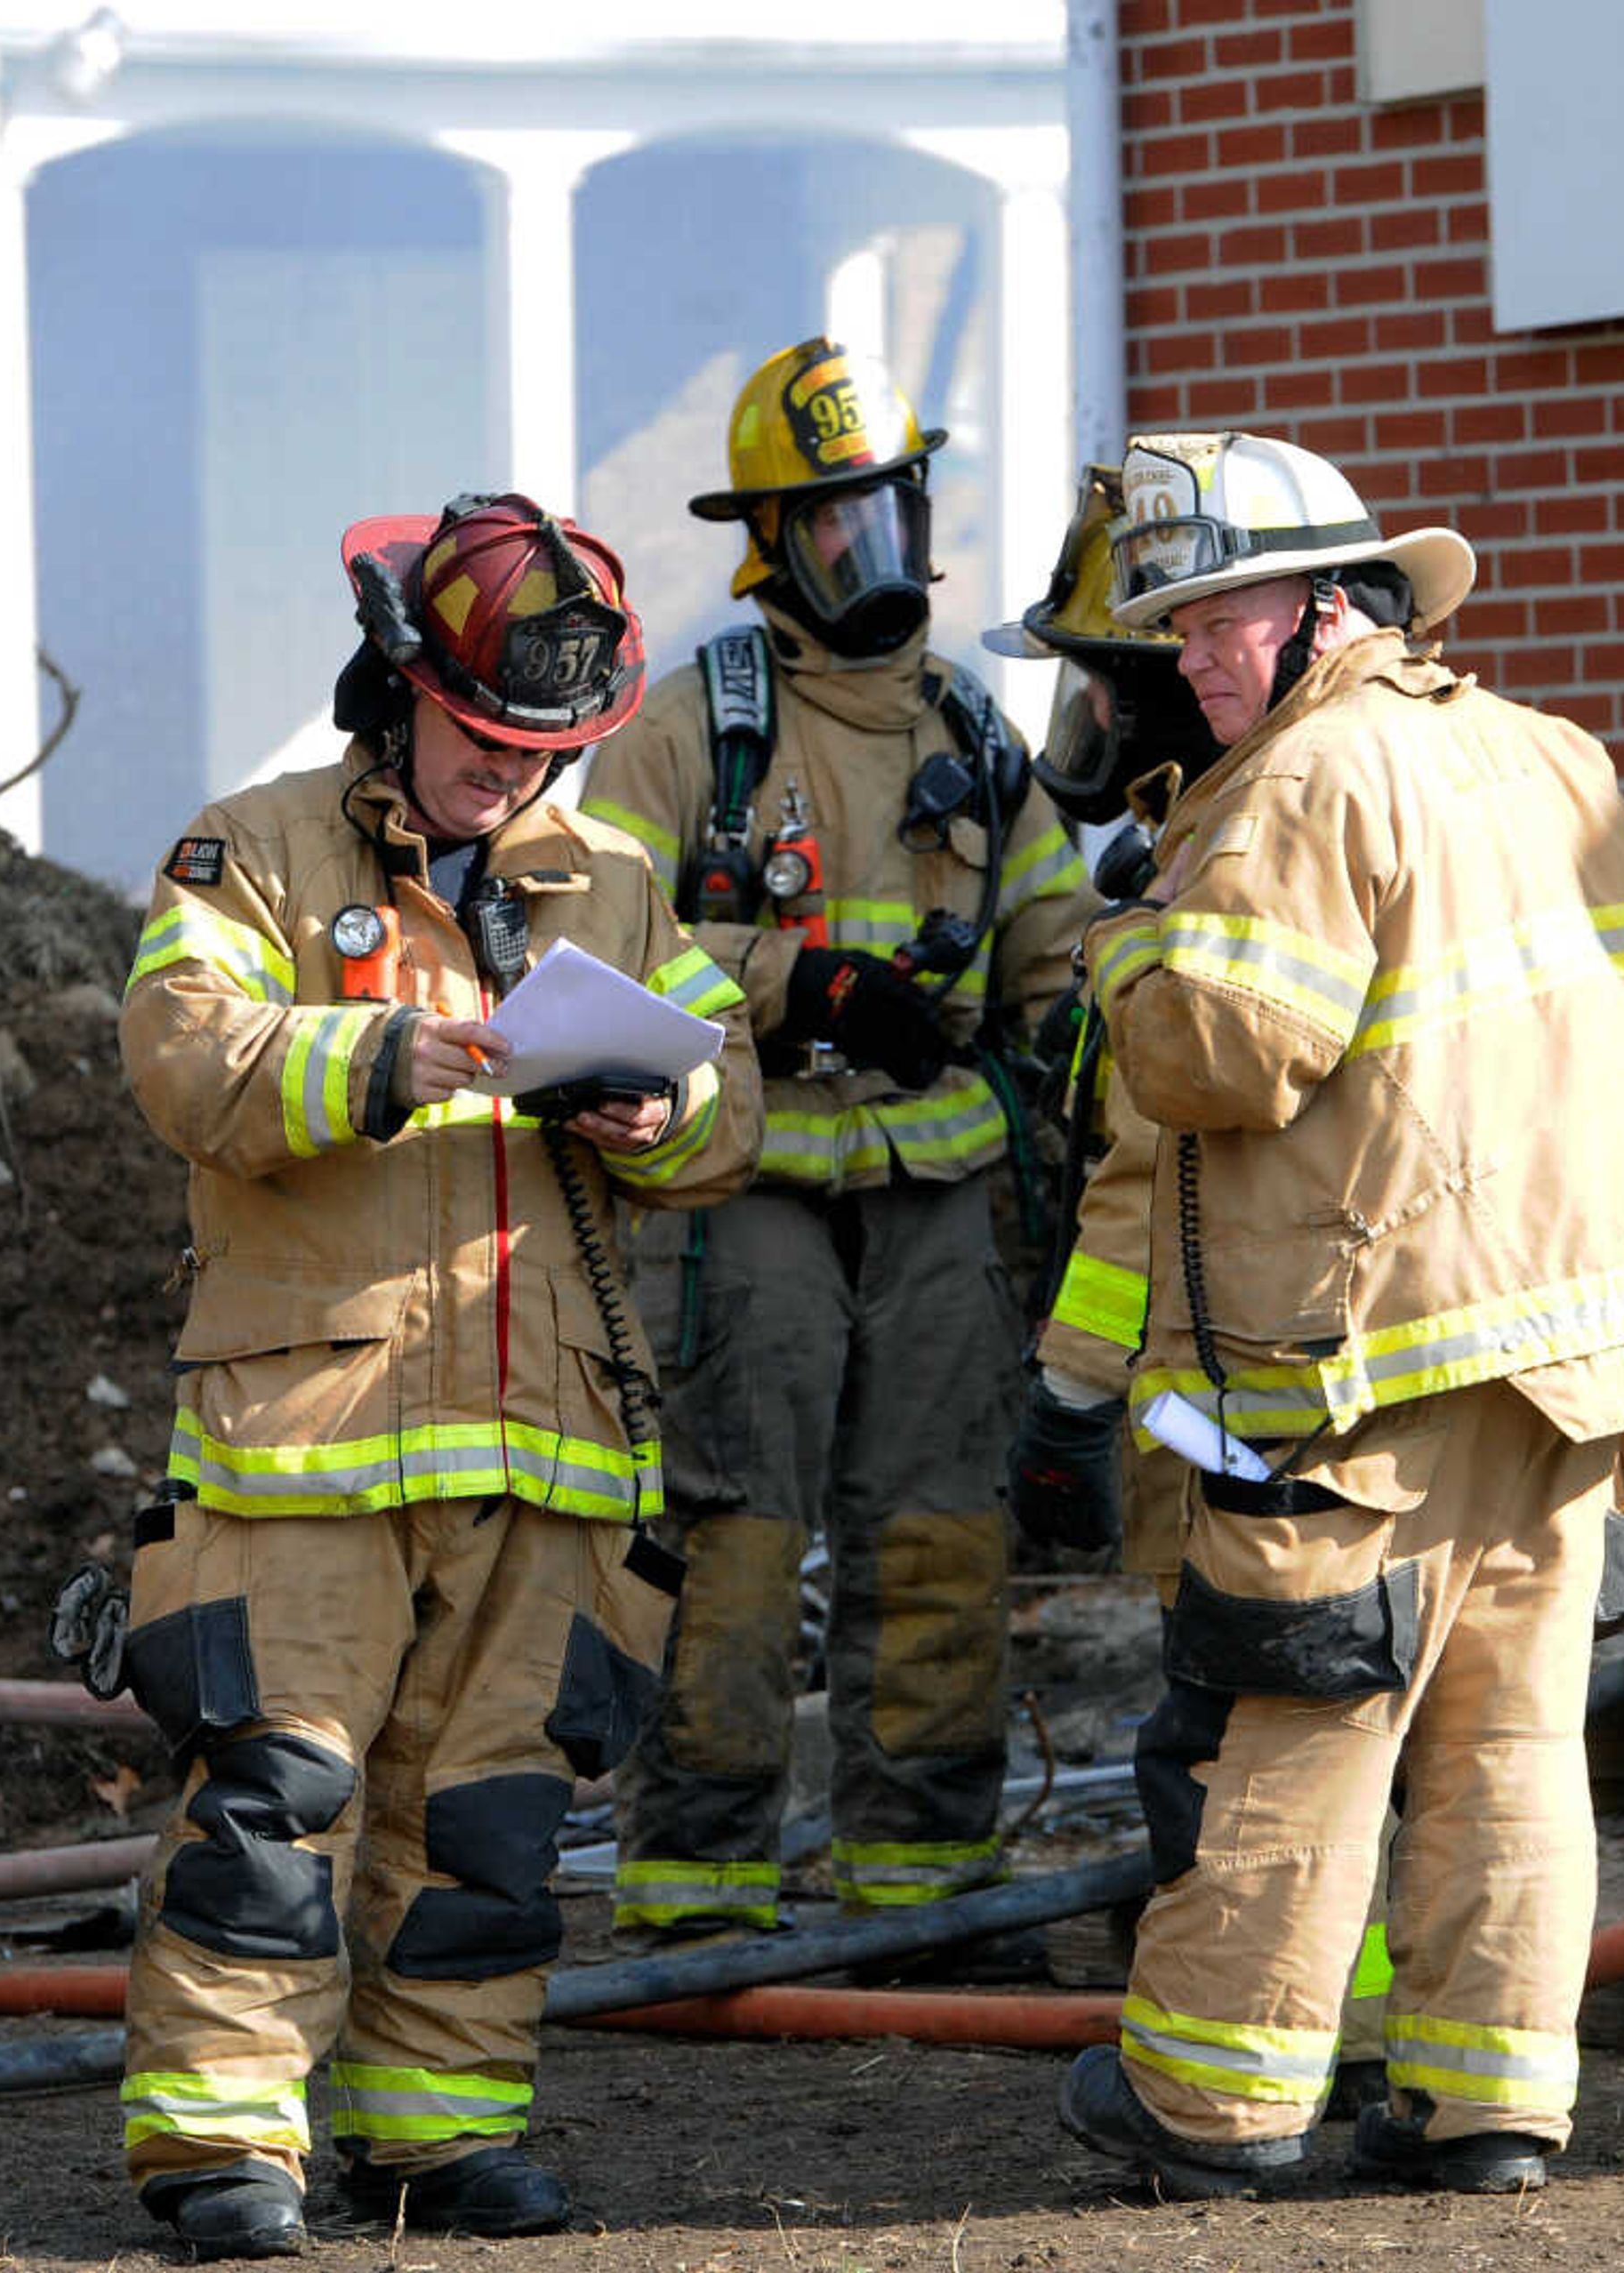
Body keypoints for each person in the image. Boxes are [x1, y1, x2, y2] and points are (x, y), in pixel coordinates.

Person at [1049, 432, 1624, 2200]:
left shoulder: (1295, 785)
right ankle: (1486, 2108)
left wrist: (1113, 952)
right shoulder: (1548, 758)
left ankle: (1214, 2113)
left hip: (1373, 1362)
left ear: (1329, 606)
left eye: (1210, 621)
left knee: (1304, 1731)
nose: (1181, 659)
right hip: (1581, 1366)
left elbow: (1229, 1052)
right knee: (1507, 1738)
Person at [113, 492, 760, 2260]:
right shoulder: (248, 849)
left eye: (548, 748)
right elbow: (185, 1062)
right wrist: (394, 1052)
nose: (513, 776)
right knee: (277, 1805)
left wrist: (664, 1106)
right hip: (308, 1437)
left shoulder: (610, 879)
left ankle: (436, 2140)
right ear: (401, 691)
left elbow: (731, 1098)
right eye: (486, 740)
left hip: (541, 1440)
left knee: (487, 1820)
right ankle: (225, 2148)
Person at [579, 336, 1097, 1960]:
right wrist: (802, 980)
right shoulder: (687, 737)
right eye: (834, 524)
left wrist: (1111, 1030)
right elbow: (588, 953)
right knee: (733, 1532)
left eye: (889, 510)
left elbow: (1052, 950)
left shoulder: (975, 732)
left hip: (944, 1192)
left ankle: (920, 1890)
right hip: (755, 1193)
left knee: (944, 1531)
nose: (872, 552)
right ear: (770, 543)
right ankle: (696, 1892)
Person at [993, 464, 1395, 2118]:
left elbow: (1156, 1149)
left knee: (1255, 1742)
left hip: (1279, 1371)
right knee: (1385, 1738)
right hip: (1333, 1363)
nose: (1097, 707)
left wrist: (1075, 1395)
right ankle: (1389, 2059)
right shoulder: (1315, 803)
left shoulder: (1250, 844)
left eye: (1115, 667)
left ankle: (1262, 2071)